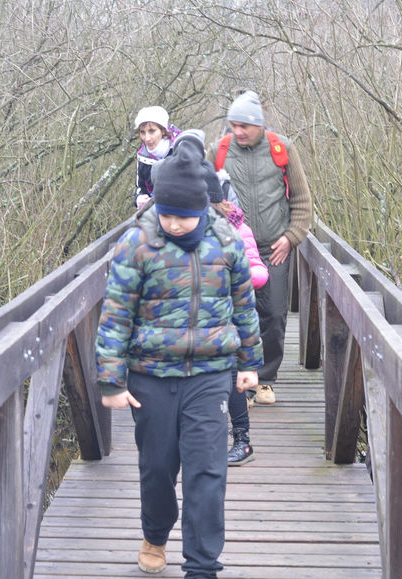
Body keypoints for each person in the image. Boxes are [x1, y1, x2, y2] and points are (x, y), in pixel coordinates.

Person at [95, 140, 263, 578]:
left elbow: (244, 306)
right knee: (157, 469)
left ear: (203, 208)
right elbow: (114, 315)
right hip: (149, 375)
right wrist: (112, 383)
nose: (173, 223)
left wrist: (250, 363)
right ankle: (155, 534)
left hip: (211, 374)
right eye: (165, 213)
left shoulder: (225, 242)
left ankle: (203, 566)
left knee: (207, 472)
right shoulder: (136, 243)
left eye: (183, 215)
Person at [171, 129, 268, 466]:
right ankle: (198, 438)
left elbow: (252, 273)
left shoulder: (234, 231)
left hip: (224, 319)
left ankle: (242, 438)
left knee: (229, 378)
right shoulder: (177, 223)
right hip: (188, 323)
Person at [213, 90, 311, 406]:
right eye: (233, 125)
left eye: (244, 126)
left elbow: (301, 199)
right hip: (232, 249)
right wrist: (217, 207)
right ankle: (239, 379)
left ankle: (265, 379)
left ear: (259, 125)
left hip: (273, 248)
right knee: (232, 313)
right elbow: (201, 196)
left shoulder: (283, 149)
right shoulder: (219, 151)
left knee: (273, 313)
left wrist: (292, 236)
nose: (238, 132)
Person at [133, 105, 181, 208]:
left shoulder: (182, 149)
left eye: (152, 131)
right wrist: (138, 199)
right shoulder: (142, 155)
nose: (147, 138)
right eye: (142, 132)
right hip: (155, 210)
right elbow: (140, 187)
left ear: (163, 130)